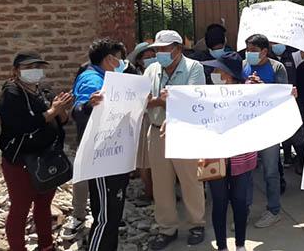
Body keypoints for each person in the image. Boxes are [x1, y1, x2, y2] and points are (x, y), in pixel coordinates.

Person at [0, 51, 73, 251]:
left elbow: (62, 120)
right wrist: (53, 110)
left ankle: (46, 245)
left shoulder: (44, 90)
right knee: (20, 207)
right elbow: (24, 125)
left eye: (37, 67)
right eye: (28, 67)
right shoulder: (11, 94)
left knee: (43, 203)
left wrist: (61, 109)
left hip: (46, 157)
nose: (34, 71)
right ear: (16, 71)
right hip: (20, 161)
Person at [143, 30, 207, 249]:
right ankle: (167, 228)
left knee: (190, 181)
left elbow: (192, 101)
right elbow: (141, 99)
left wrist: (159, 102)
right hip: (156, 130)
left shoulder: (193, 68)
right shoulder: (151, 70)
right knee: (161, 183)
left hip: (184, 131)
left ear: (178, 49)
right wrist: (160, 102)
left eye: (164, 49)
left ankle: (196, 224)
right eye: (157, 49)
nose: (159, 53)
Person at [70, 38, 136, 250]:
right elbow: (81, 111)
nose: (123, 63)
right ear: (109, 59)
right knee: (106, 218)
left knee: (113, 213)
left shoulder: (108, 78)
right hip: (102, 158)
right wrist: (90, 105)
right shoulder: (92, 79)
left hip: (114, 153)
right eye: (120, 59)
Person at [201, 52, 257, 251]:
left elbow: (269, 101)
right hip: (215, 157)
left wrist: (287, 94)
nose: (214, 73)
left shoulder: (249, 92)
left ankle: (240, 245)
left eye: (219, 70)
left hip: (242, 157)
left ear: (229, 74)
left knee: (240, 202)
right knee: (219, 203)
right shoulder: (206, 95)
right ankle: (222, 246)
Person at [243, 33, 289, 227]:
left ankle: (274, 210)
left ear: (264, 51)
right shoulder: (243, 65)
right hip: (247, 126)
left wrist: (264, 88)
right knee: (244, 172)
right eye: (247, 50)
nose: (249, 54)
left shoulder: (277, 68)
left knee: (271, 171)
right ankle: (243, 211)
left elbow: (284, 95)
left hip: (269, 127)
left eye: (253, 50)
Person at [127, 42, 157, 204]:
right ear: (139, 61)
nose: (151, 59)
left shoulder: (159, 73)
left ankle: (160, 191)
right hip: (144, 119)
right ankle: (149, 191)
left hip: (158, 117)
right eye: (147, 57)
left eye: (153, 56)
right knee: (145, 159)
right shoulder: (136, 77)